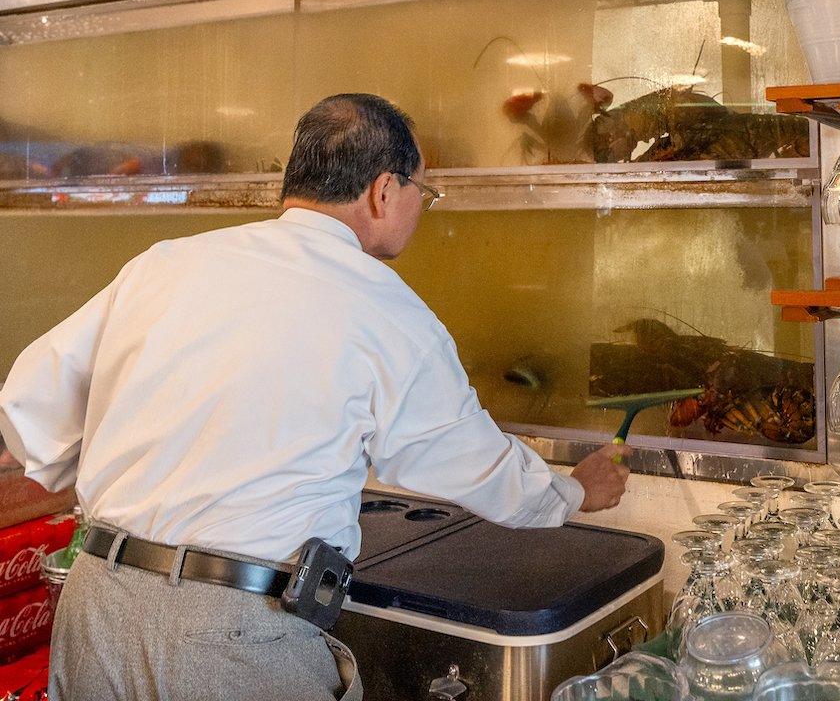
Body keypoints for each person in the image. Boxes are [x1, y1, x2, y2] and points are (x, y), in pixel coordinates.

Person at [0, 93, 632, 700]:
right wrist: (576, 491)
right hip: (229, 635)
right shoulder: (385, 309)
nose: (422, 206)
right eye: (425, 193)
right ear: (385, 191)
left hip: (95, 607)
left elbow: (30, 408)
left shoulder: (162, 265)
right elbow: (477, 466)